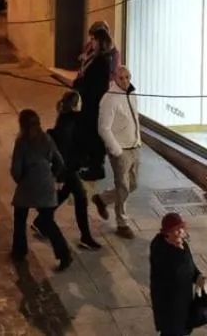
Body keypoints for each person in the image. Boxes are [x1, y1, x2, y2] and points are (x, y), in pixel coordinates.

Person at [9, 109, 73, 272]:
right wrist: (51, 176)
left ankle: (19, 250)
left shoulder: (22, 142)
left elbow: (16, 170)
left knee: (20, 216)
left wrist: (22, 180)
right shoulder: (46, 138)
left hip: (28, 185)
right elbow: (59, 162)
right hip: (46, 185)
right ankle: (64, 254)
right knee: (48, 221)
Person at [48, 92, 102, 251]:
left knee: (66, 193)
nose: (82, 104)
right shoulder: (69, 123)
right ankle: (85, 237)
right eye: (79, 102)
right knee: (81, 198)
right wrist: (62, 175)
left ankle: (41, 221)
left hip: (68, 168)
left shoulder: (67, 119)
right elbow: (66, 151)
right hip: (68, 169)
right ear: (74, 105)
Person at [93, 65, 142, 236]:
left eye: (128, 77)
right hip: (121, 150)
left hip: (134, 146)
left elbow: (135, 118)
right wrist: (117, 150)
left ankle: (102, 199)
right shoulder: (109, 99)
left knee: (133, 185)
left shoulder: (132, 94)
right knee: (123, 186)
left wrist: (138, 141)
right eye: (121, 78)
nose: (126, 81)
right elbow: (103, 128)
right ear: (114, 78)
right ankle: (122, 223)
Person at [74, 21, 119, 180]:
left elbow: (97, 84)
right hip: (89, 102)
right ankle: (88, 161)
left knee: (95, 134)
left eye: (93, 39)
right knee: (87, 132)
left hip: (95, 103)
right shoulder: (96, 56)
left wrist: (82, 86)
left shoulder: (103, 61)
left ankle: (96, 167)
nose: (90, 42)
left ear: (100, 41)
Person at [148, 213, 204, 336]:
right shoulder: (160, 249)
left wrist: (198, 276)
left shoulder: (182, 245)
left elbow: (189, 265)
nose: (180, 232)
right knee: (172, 331)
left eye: (181, 228)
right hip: (169, 304)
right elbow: (172, 271)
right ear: (167, 232)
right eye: (176, 230)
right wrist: (178, 250)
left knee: (183, 329)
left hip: (184, 299)